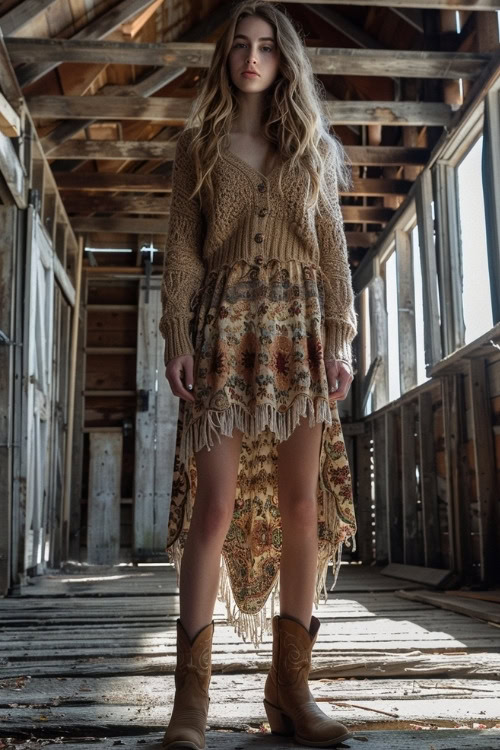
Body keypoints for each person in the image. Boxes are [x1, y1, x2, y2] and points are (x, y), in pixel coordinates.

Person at [158, 1, 358, 747]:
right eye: (241, 46)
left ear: (284, 60)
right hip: (223, 329)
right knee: (213, 510)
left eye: (267, 47)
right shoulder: (198, 147)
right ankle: (191, 703)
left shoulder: (311, 147)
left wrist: (340, 338)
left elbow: (334, 252)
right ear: (225, 58)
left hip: (300, 332)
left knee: (301, 506)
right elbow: (182, 250)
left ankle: (292, 689)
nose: (252, 58)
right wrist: (177, 333)